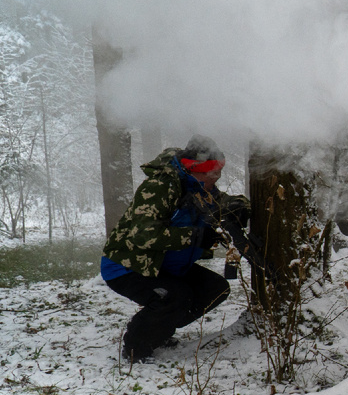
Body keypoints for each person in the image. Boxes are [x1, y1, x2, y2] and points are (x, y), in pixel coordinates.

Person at [101, 135, 249, 362]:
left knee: (215, 289)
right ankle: (136, 347)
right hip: (128, 265)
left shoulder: (198, 185)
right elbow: (144, 234)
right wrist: (196, 236)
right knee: (175, 297)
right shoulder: (160, 186)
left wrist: (240, 207)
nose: (215, 179)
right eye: (212, 174)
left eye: (218, 173)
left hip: (164, 264)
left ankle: (159, 329)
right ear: (195, 170)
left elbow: (220, 202)